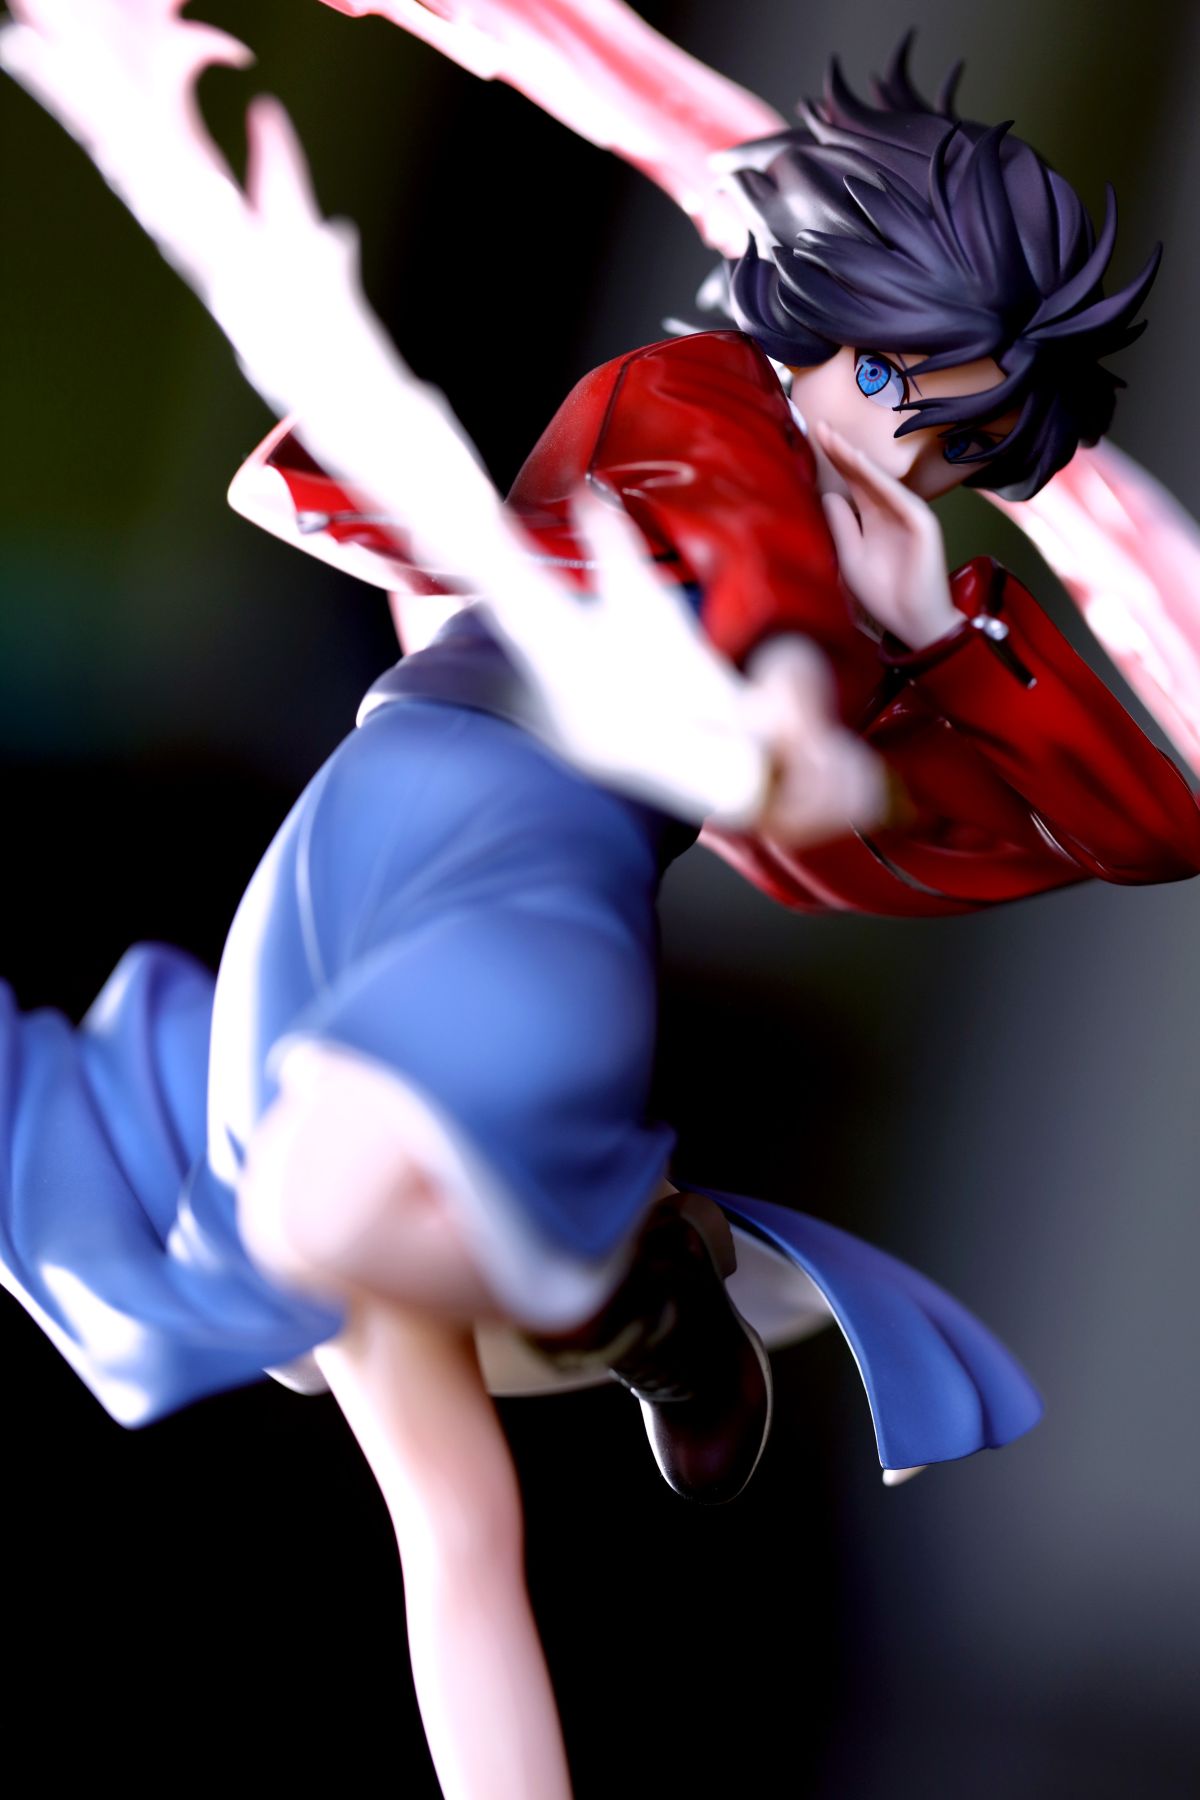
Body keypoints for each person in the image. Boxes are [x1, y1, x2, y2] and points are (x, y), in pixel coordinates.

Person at [4, 30, 1199, 1800]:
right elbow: (741, 549)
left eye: (950, 435)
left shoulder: (908, 603)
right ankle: (655, 1291)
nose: (898, 443)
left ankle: (649, 1283)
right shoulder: (693, 395)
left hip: (539, 878)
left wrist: (941, 633)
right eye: (885, 376)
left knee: (313, 1254)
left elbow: (1147, 823)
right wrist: (791, 696)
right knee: (400, 1450)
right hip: (376, 825)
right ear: (826, 315)